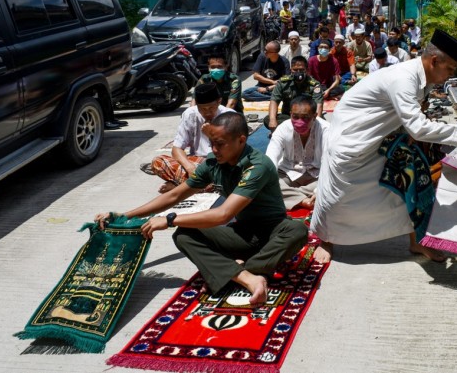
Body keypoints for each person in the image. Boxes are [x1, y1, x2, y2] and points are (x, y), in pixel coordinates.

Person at [310, 29, 457, 264]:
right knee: (338, 196)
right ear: (435, 61)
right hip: (352, 139)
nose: (450, 75)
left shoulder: (423, 78)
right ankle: (326, 238)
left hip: (383, 137)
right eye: (449, 69)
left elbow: (412, 119)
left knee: (410, 181)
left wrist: (407, 131)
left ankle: (416, 241)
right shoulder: (404, 78)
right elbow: (418, 126)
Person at [96, 112, 308, 306]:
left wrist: (170, 219)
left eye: (220, 144)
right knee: (184, 235)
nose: (214, 149)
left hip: (272, 233)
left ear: (241, 140)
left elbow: (223, 214)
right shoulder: (213, 163)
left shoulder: (257, 166)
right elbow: (175, 194)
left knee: (297, 231)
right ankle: (247, 276)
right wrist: (123, 215)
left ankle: (230, 272)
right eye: (212, 143)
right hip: (242, 233)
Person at [150, 82, 234, 193]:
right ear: (196, 105)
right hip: (196, 162)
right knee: (158, 161)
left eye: (211, 108)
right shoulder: (190, 114)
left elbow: (232, 152)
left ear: (219, 102)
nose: (207, 112)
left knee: (227, 173)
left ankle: (181, 185)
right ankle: (200, 185)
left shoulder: (230, 116)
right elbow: (177, 149)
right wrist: (189, 168)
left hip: (221, 162)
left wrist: (212, 135)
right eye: (202, 109)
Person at [266, 95, 329, 210]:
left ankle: (290, 197)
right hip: (288, 172)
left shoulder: (326, 130)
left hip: (317, 175)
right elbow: (271, 158)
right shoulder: (283, 128)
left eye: (305, 117)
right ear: (290, 114)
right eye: (295, 117)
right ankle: (304, 200)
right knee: (266, 182)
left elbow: (329, 165)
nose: (299, 122)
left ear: (315, 116)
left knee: (335, 183)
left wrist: (318, 190)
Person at [266, 55, 323, 131]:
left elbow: (318, 105)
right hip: (289, 117)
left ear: (307, 70)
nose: (298, 73)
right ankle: (295, 130)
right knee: (268, 119)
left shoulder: (314, 85)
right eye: (295, 70)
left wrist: (315, 123)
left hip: (307, 118)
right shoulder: (283, 82)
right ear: (291, 70)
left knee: (321, 123)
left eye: (301, 70)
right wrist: (272, 120)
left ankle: (291, 131)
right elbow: (274, 101)